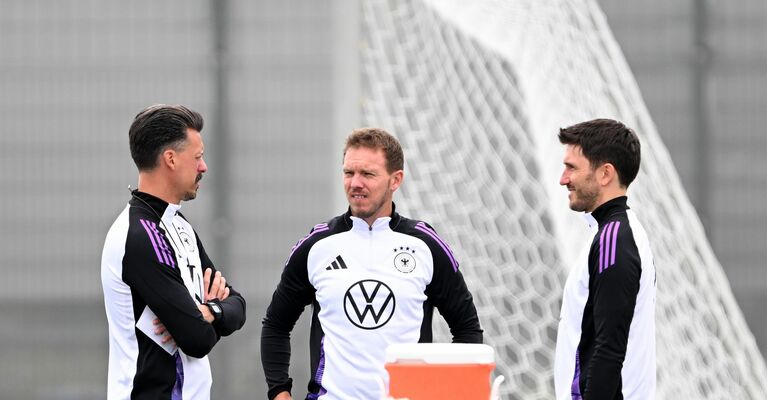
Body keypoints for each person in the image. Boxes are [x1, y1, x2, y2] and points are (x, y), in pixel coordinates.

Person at [261, 128, 483, 400]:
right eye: (348, 173)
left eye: (367, 174)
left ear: (395, 179)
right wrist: (279, 392)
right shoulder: (317, 245)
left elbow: (467, 329)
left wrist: (451, 392)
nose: (355, 183)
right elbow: (276, 325)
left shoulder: (426, 245)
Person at [101, 104, 246, 400]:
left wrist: (209, 311)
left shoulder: (179, 226)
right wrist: (210, 316)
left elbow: (238, 304)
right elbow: (196, 338)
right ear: (170, 159)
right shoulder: (140, 236)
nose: (203, 167)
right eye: (197, 157)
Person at [553, 118, 656, 400]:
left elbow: (609, 348)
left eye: (571, 167)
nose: (563, 179)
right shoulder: (613, 233)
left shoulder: (615, 239)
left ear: (605, 174)